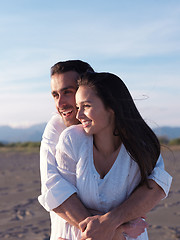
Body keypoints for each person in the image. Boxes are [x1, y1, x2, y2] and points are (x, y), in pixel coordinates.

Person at [55, 72, 172, 240]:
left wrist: (110, 222)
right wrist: (120, 226)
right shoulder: (72, 139)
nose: (79, 116)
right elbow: (62, 197)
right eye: (78, 107)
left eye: (86, 106)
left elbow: (157, 187)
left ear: (112, 107)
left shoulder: (142, 146)